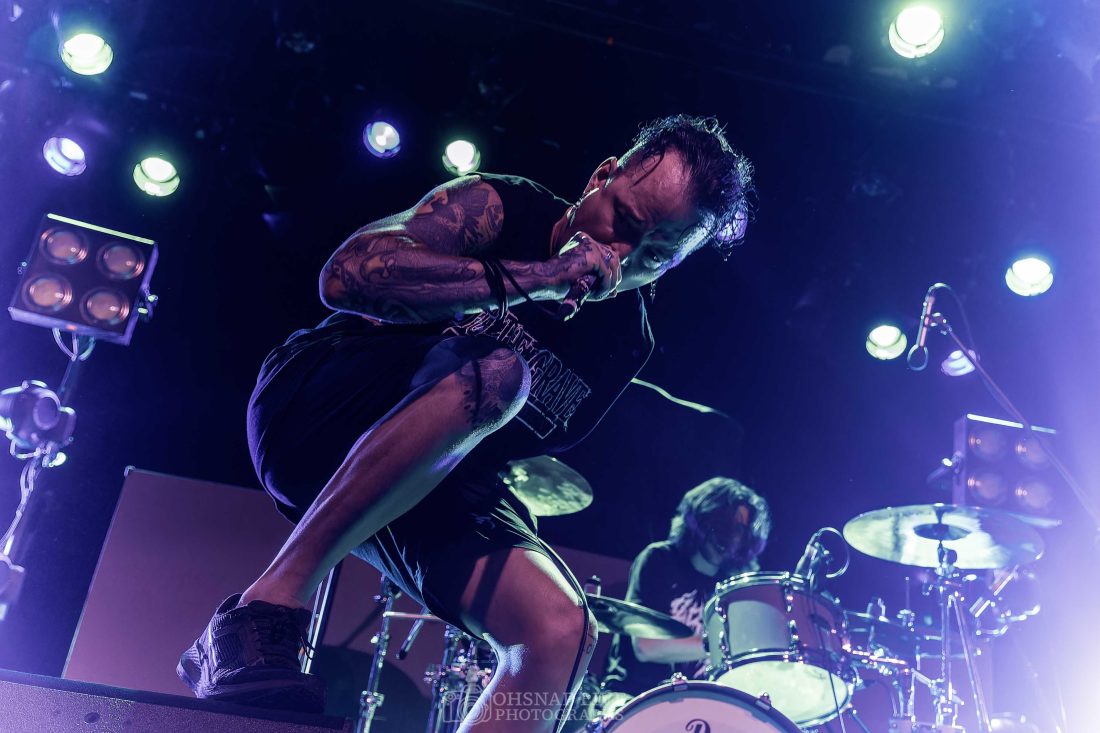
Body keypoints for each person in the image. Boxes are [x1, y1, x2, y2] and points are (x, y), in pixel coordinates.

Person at [177, 115, 754, 732]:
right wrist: (540, 279)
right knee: (501, 373)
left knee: (560, 626)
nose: (622, 256)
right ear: (600, 178)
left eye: (656, 255)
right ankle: (264, 607)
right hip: (316, 408)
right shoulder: (501, 206)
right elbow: (344, 277)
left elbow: (501, 450)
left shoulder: (622, 345)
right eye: (626, 222)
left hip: (421, 481)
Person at [603, 476, 772, 697]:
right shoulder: (659, 559)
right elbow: (646, 647)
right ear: (703, 519)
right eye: (725, 524)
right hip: (636, 696)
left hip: (692, 703)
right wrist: (721, 645)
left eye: (740, 528)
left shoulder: (729, 587)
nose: (732, 536)